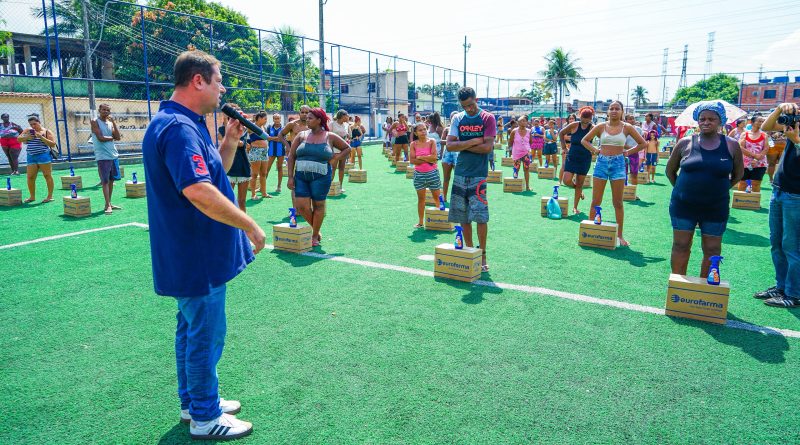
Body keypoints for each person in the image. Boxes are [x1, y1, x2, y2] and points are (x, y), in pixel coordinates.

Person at [141, 50, 266, 441]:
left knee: (191, 329)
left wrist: (229, 142)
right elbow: (198, 191)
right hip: (197, 256)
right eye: (218, 79)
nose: (223, 87)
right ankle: (205, 416)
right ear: (198, 81)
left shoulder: (183, 123)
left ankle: (192, 402)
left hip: (190, 253)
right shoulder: (178, 128)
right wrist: (251, 225)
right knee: (206, 334)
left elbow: (215, 175)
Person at [665, 101, 744, 279]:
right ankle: (678, 286)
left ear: (720, 121)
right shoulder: (685, 143)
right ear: (697, 121)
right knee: (681, 245)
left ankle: (704, 290)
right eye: (702, 119)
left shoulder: (731, 145)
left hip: (716, 207)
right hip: (683, 206)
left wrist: (719, 190)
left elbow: (738, 174)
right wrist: (683, 191)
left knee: (712, 249)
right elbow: (670, 171)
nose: (706, 122)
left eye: (711, 119)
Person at [581, 101, 647, 246]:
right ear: (607, 112)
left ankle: (620, 236)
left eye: (617, 109)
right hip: (601, 163)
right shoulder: (600, 126)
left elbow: (643, 143)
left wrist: (628, 152)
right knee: (595, 201)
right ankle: (591, 231)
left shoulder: (627, 127)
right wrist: (595, 150)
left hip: (618, 164)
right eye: (611, 108)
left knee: (617, 202)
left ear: (622, 111)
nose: (614, 111)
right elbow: (584, 140)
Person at [445, 87, 496, 271]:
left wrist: (462, 145)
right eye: (465, 106)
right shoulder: (457, 118)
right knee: (463, 217)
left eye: (471, 105)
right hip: (460, 173)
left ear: (477, 99)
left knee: (481, 218)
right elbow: (449, 146)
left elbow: (487, 148)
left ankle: (482, 256)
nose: (469, 109)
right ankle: (469, 251)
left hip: (479, 175)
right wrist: (474, 141)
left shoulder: (488, 118)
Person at [755, 103, 800, 307]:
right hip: (779, 190)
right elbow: (766, 127)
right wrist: (779, 110)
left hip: (796, 196)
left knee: (792, 246)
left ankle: (794, 293)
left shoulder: (795, 134)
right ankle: (781, 286)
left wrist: (796, 140)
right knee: (777, 243)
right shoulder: (795, 124)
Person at [287, 107, 351, 246]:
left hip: (322, 177)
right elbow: (291, 156)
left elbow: (347, 148)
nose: (307, 120)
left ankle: (315, 235)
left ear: (319, 120)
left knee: (318, 205)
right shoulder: (301, 135)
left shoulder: (330, 136)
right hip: (301, 176)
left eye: (310, 118)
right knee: (301, 206)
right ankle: (316, 228)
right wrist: (290, 177)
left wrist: (336, 158)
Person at [561, 108, 594, 214]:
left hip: (585, 158)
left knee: (580, 183)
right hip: (572, 156)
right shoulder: (574, 125)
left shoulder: (593, 128)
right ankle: (578, 190)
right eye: (583, 118)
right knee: (566, 180)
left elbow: (603, 138)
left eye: (588, 119)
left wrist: (595, 150)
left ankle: (575, 207)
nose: (585, 121)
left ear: (591, 118)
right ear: (580, 116)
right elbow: (561, 133)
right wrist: (564, 148)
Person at [91, 103, 123, 214]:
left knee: (111, 180)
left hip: (113, 154)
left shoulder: (110, 123)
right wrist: (112, 138)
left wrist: (113, 122)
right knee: (104, 181)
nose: (105, 111)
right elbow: (100, 138)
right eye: (103, 109)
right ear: (99, 110)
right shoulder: (95, 121)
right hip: (102, 156)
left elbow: (118, 137)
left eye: (107, 110)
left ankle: (108, 203)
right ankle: (108, 205)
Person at [218, 103, 250, 212]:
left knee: (242, 201)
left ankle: (243, 228)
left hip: (242, 166)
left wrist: (231, 140)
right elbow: (224, 140)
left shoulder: (244, 128)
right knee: (228, 199)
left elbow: (242, 144)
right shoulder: (222, 129)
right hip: (229, 168)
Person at [17, 114, 56, 203]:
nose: (33, 126)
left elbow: (53, 144)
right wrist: (27, 137)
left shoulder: (46, 131)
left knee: (47, 175)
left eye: (35, 124)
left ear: (39, 122)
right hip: (31, 156)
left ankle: (50, 196)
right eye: (31, 124)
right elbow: (18, 139)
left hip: (43, 156)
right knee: (30, 177)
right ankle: (32, 197)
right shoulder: (28, 131)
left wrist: (41, 137)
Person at [410, 123, 441, 228]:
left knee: (437, 198)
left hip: (433, 173)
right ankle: (420, 222)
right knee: (421, 199)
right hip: (419, 175)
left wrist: (420, 157)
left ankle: (439, 219)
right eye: (420, 130)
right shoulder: (413, 144)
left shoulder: (432, 141)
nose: (423, 131)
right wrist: (427, 158)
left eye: (424, 129)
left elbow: (434, 158)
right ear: (415, 133)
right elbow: (413, 161)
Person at [738, 115, 769, 193]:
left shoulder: (764, 135)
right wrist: (755, 156)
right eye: (759, 121)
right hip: (745, 163)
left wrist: (756, 159)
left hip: (760, 163)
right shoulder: (744, 134)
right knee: (743, 182)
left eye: (763, 121)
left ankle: (755, 203)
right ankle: (740, 202)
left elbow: (766, 149)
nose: (761, 123)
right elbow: (741, 147)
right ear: (752, 122)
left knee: (756, 183)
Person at [246, 111, 270, 200]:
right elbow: (243, 135)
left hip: (264, 151)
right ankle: (253, 194)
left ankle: (264, 193)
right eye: (265, 119)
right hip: (255, 151)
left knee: (264, 173)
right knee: (255, 174)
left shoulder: (264, 127)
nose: (266, 121)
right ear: (259, 118)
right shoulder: (251, 127)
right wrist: (247, 144)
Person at [507, 114, 534, 191]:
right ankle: (516, 186)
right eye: (522, 121)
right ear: (518, 123)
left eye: (525, 121)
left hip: (526, 154)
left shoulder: (529, 131)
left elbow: (531, 142)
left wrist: (529, 150)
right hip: (517, 154)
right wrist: (510, 151)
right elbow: (510, 142)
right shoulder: (514, 131)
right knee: (516, 169)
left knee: (526, 170)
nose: (524, 122)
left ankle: (527, 187)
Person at [260, 113, 285, 194]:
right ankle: (262, 187)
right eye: (275, 118)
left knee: (280, 168)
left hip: (281, 151)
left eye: (278, 118)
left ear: (280, 119)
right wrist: (277, 138)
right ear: (273, 119)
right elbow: (267, 138)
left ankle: (279, 186)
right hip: (271, 151)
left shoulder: (284, 128)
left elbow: (282, 139)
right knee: (267, 169)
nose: (277, 120)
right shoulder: (269, 127)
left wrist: (272, 138)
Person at [329, 109, 351, 190]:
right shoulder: (332, 124)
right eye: (347, 115)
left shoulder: (346, 125)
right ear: (342, 116)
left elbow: (349, 136)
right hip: (334, 149)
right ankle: (329, 186)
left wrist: (348, 136)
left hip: (344, 149)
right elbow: (328, 136)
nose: (348, 116)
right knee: (333, 167)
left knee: (342, 167)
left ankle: (340, 186)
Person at [441, 111, 459, 202]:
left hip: (458, 154)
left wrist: (451, 142)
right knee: (446, 178)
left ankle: (456, 199)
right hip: (447, 154)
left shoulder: (462, 129)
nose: (454, 118)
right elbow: (442, 141)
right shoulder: (447, 129)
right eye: (452, 117)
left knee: (458, 179)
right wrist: (452, 142)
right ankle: (444, 197)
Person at [559, 114, 576, 185]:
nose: (571, 120)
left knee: (574, 165)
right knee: (564, 165)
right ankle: (559, 181)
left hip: (574, 148)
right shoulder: (565, 127)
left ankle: (573, 181)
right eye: (570, 119)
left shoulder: (577, 127)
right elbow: (565, 137)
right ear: (568, 120)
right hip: (566, 147)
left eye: (573, 118)